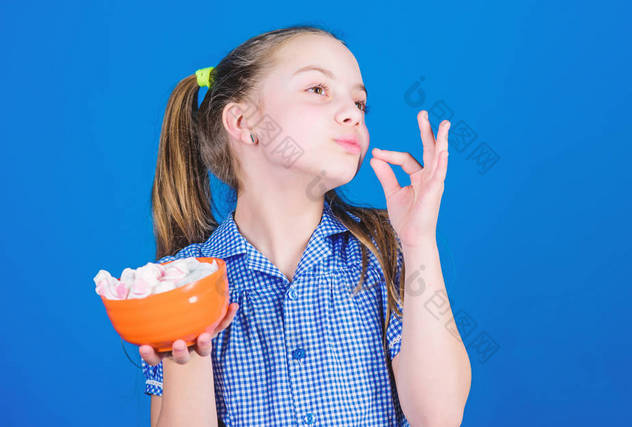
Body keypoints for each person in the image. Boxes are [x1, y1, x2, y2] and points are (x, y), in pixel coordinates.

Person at [139, 24, 470, 427]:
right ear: (243, 122)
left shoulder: (385, 250)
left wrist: (419, 243)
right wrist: (186, 350)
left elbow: (440, 417)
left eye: (360, 103)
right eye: (318, 89)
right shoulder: (183, 282)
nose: (352, 113)